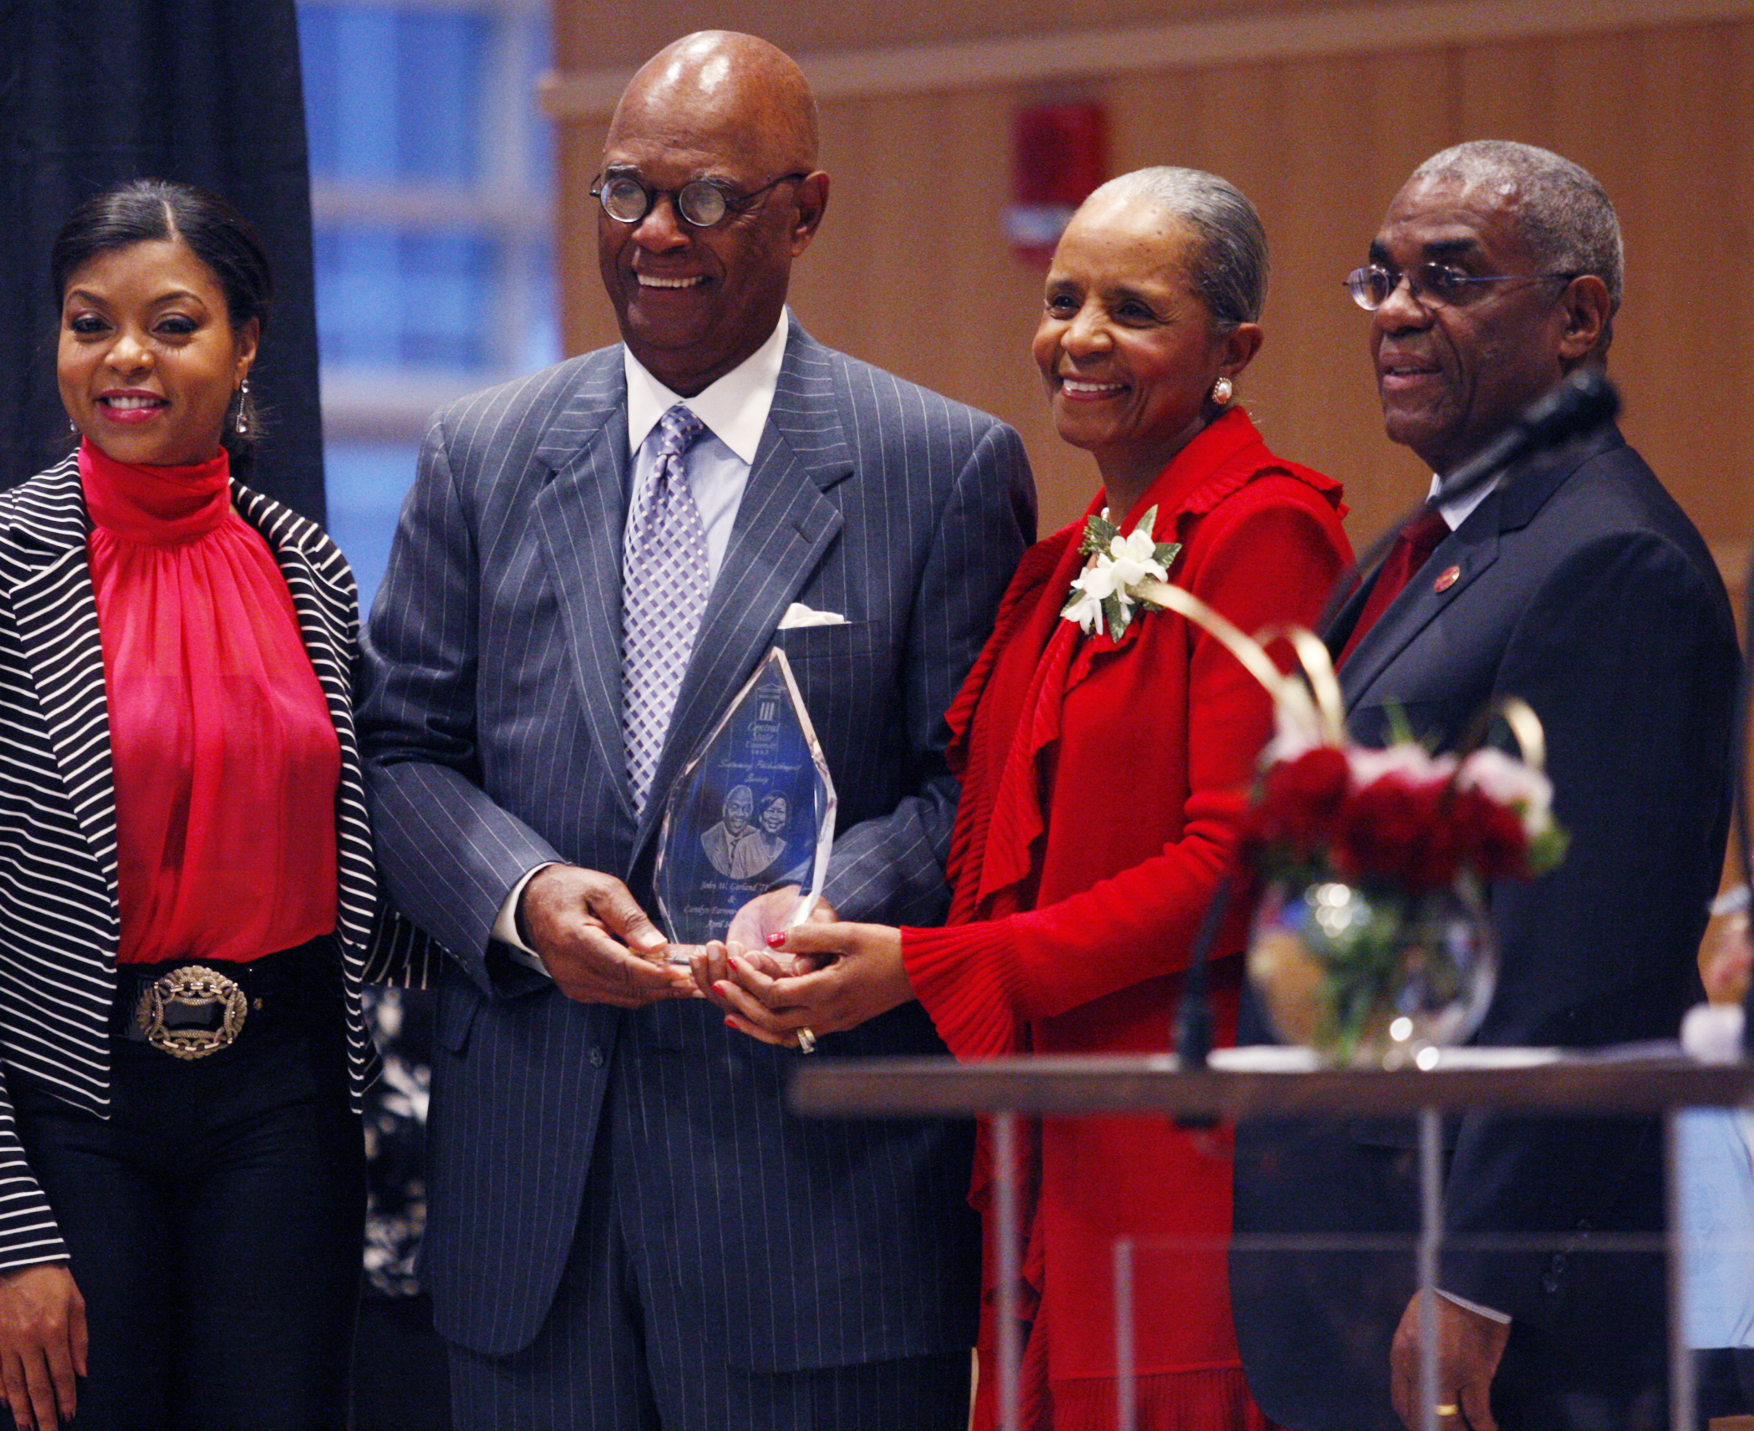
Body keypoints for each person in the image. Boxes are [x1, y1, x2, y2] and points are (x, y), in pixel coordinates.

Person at [357, 29, 1035, 1430]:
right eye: (624, 194)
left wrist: (825, 909)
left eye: (707, 200)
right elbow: (401, 746)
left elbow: (968, 782)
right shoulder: (482, 451)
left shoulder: (938, 463)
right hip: (534, 1208)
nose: (657, 234)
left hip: (814, 1217)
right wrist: (526, 893)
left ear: (805, 209)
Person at [704, 168, 1352, 1428]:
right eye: (1064, 299)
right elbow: (979, 824)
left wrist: (942, 965)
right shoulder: (1061, 562)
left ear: (1235, 347)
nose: (1080, 336)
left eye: (1134, 308)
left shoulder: (1260, 533)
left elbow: (1234, 859)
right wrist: (818, 920)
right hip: (1042, 1145)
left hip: (1179, 1148)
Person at [0, 178, 418, 1431]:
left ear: (246, 342)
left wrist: (536, 923)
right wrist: (7, 1240)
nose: (125, 357)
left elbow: (357, 877)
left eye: (172, 324)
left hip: (286, 1109)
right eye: (87, 321)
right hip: (71, 1123)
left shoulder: (309, 565)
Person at [1229, 141, 1739, 1431]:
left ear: (1576, 316)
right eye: (1383, 277)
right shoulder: (1425, 545)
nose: (1399, 311)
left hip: (1503, 1295)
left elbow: (1590, 967)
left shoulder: (1612, 561)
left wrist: (1475, 1282)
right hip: (1350, 1242)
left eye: (1450, 279)